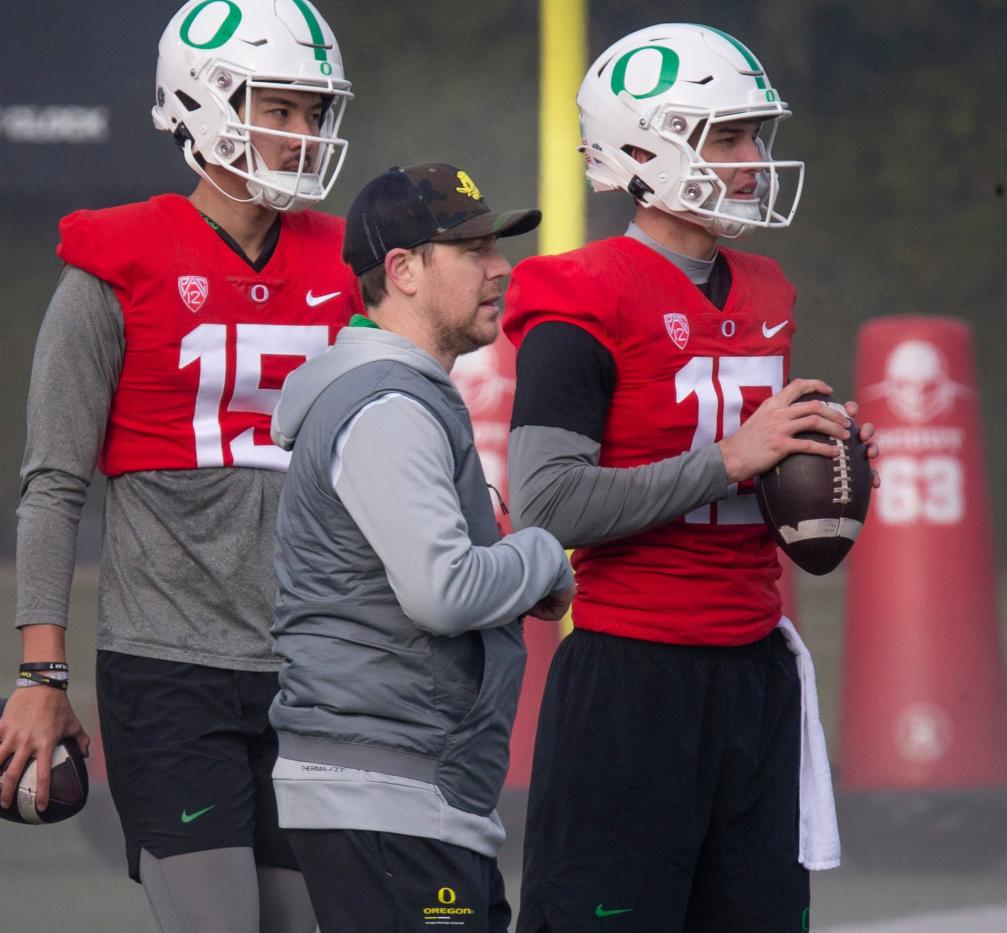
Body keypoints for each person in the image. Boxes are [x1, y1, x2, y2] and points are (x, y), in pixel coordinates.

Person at [0, 2, 359, 931]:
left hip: (315, 666)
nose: (304, 136)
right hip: (170, 665)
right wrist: (42, 675)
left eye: (314, 112)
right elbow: (54, 482)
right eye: (281, 108)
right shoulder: (116, 264)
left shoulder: (352, 265)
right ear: (205, 102)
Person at [503, 25, 879, 933]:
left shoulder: (763, 290)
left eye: (756, 135)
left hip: (753, 673)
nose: (754, 162)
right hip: (633, 678)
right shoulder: (580, 295)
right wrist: (731, 458)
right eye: (727, 137)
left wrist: (823, 465)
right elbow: (548, 503)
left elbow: (760, 478)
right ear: (642, 147)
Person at [267, 163, 576, 932]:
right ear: (401, 269)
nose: (499, 266)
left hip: (400, 793)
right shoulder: (390, 405)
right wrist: (543, 555)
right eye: (471, 247)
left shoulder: (394, 394)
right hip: (389, 794)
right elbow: (442, 590)